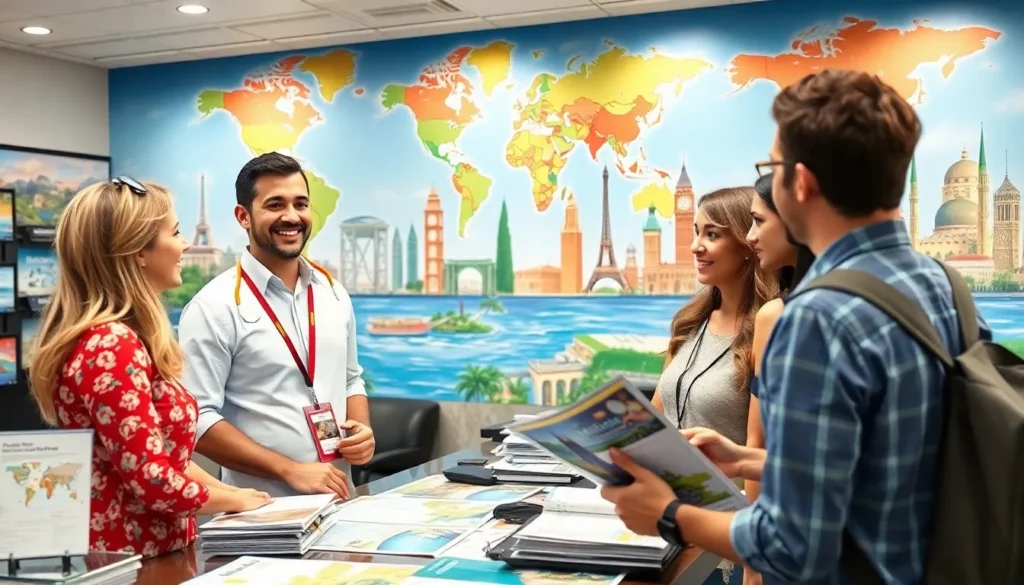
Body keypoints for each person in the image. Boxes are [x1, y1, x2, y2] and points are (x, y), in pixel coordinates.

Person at [600, 69, 992, 583]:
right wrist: (747, 460)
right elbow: (885, 464)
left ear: (800, 183)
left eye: (772, 167)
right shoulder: (944, 285)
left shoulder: (816, 319)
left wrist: (669, 515)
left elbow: (791, 545)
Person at [28, 177, 270, 557]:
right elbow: (153, 481)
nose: (185, 244)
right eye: (175, 232)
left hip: (153, 557)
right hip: (132, 565)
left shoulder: (118, 339)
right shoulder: (113, 346)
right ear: (139, 251)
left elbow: (168, 461)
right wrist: (236, 502)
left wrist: (239, 495)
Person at [179, 152, 374, 498]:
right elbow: (196, 419)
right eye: (275, 205)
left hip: (339, 501)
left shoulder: (333, 293)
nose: (292, 216)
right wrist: (288, 469)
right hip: (262, 513)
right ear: (243, 216)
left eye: (301, 204)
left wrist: (361, 430)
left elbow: (350, 379)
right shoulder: (214, 307)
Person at [651, 187, 776, 585]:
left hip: (724, 541)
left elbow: (757, 449)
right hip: (668, 525)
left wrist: (754, 562)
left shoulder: (766, 328)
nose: (695, 246)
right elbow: (655, 417)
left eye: (712, 234)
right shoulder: (690, 322)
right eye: (695, 232)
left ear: (746, 243)